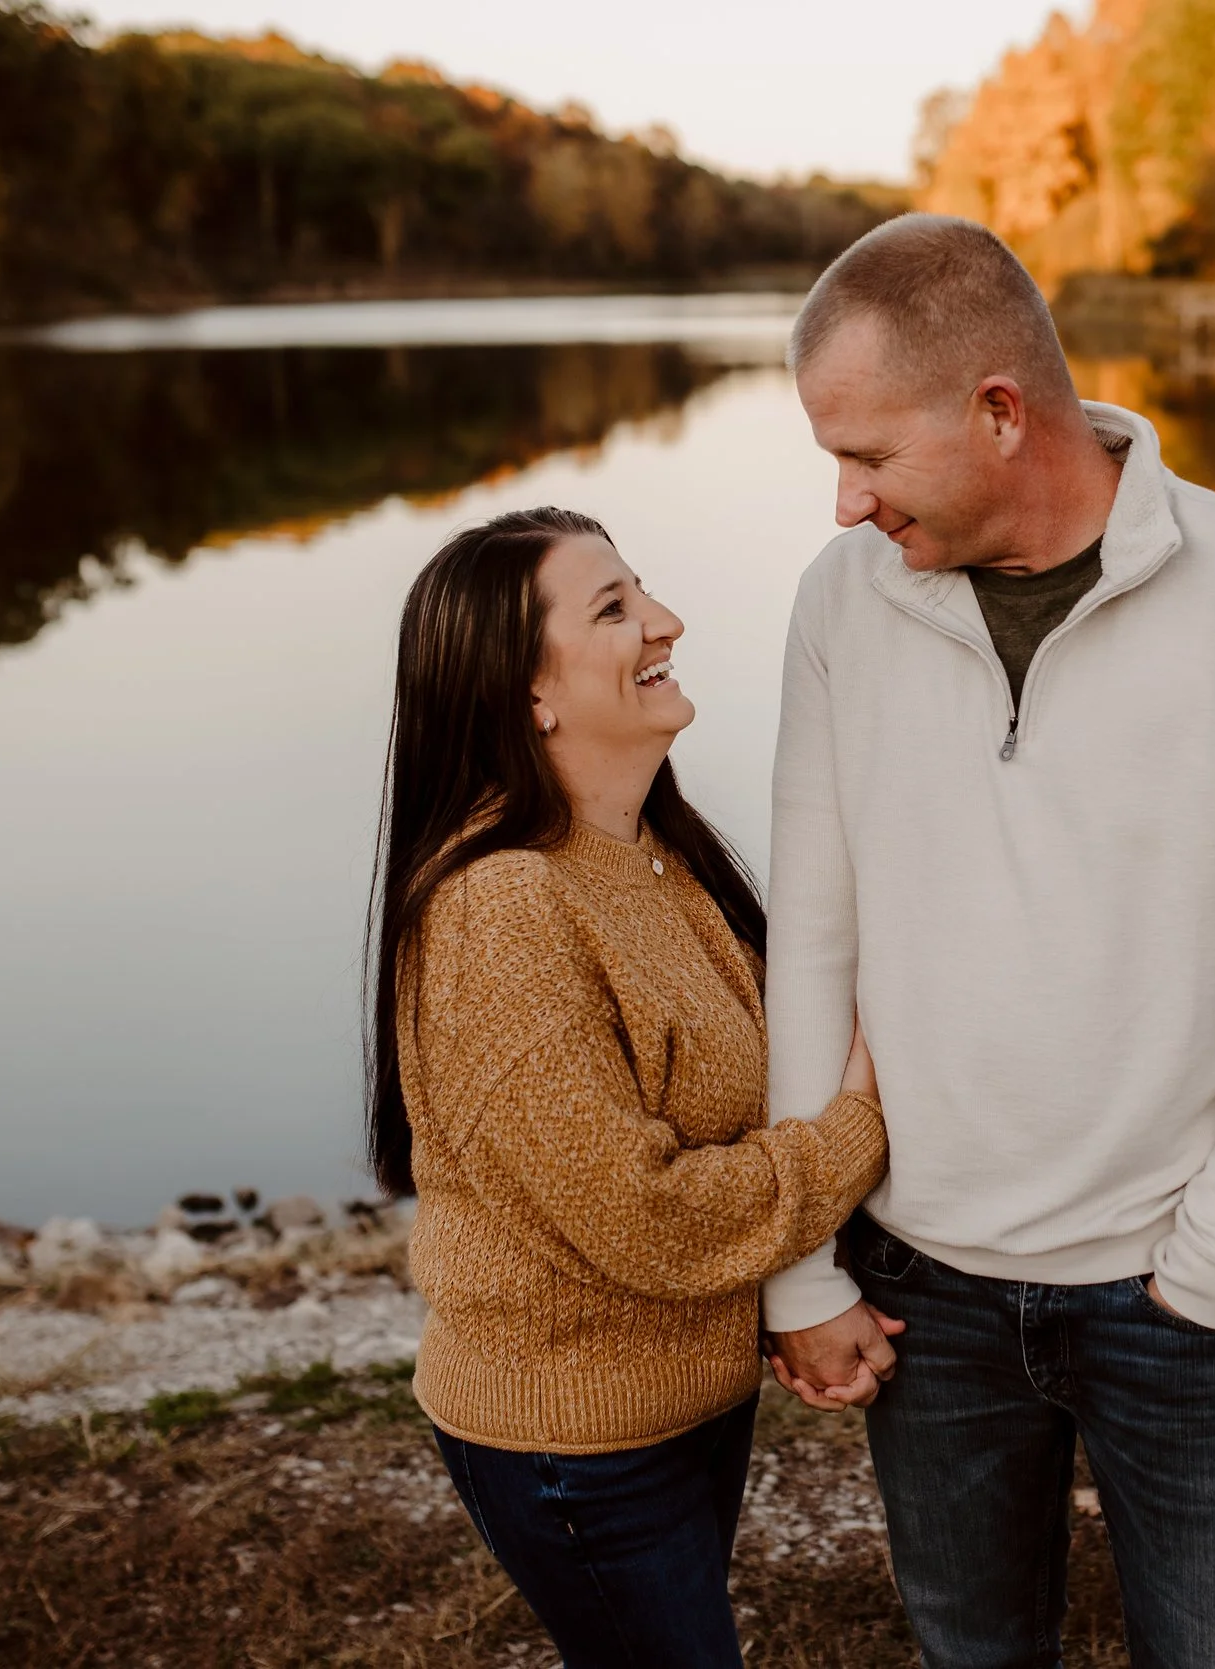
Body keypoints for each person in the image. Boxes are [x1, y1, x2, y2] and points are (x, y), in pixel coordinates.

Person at [761, 217, 1215, 1667]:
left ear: (1001, 412)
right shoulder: (839, 604)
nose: (846, 506)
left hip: (1176, 1287)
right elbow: (813, 939)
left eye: (868, 456)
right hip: (923, 1290)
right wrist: (803, 1269)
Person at [365, 505, 893, 1666]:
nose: (667, 621)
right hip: (574, 1436)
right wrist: (855, 1130)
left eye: (641, 591)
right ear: (527, 695)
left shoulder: (649, 855)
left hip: (679, 1400)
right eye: (614, 609)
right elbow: (640, 1214)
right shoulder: (499, 911)